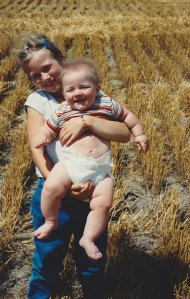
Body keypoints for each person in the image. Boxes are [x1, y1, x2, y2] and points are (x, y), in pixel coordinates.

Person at [18, 34, 132, 299]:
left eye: (47, 68)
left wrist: (86, 121)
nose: (44, 77)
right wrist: (66, 188)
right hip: (55, 190)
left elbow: (124, 133)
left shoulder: (91, 94)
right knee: (47, 258)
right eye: (35, 75)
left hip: (91, 191)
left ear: (60, 59)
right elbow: (38, 150)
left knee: (92, 260)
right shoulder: (39, 102)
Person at [33, 58, 149, 261]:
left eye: (83, 87)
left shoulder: (106, 104)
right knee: (51, 186)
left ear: (97, 88)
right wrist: (43, 136)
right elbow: (48, 128)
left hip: (100, 169)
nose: (76, 93)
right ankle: (50, 220)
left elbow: (129, 119)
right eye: (70, 90)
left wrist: (139, 135)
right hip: (70, 164)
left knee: (103, 204)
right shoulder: (62, 110)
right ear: (64, 92)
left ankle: (88, 238)